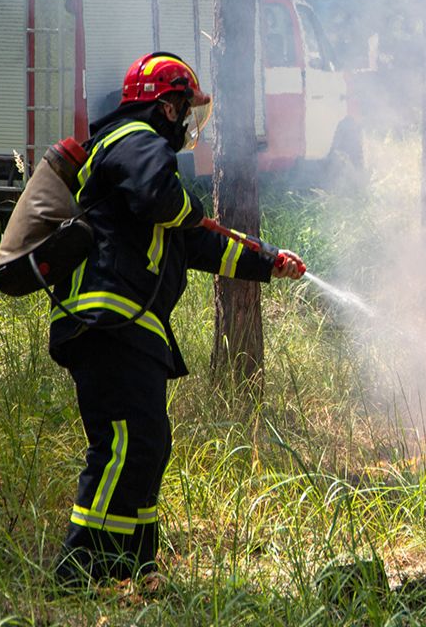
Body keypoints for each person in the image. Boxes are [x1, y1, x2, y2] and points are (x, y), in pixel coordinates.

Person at [50, 52, 304, 588]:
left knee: (147, 441)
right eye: (186, 108)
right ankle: (77, 574)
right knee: (126, 440)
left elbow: (199, 243)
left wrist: (267, 261)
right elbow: (163, 200)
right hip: (109, 318)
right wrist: (188, 204)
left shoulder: (143, 164)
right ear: (165, 105)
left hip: (128, 326)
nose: (189, 121)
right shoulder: (133, 142)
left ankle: (133, 567)